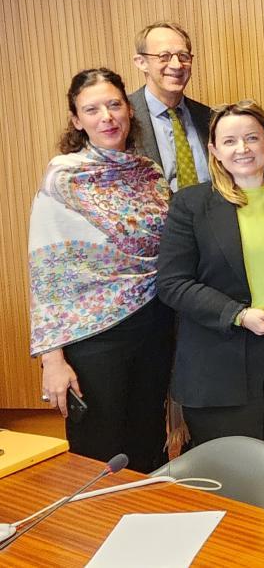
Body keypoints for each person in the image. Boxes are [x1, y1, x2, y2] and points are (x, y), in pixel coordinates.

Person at [157, 101, 264, 476]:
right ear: (215, 151)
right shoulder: (191, 204)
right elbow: (173, 284)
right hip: (219, 367)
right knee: (232, 480)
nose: (243, 149)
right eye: (231, 141)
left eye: (252, 138)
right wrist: (238, 315)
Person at [29, 68, 173, 473]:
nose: (106, 117)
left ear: (129, 109)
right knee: (97, 452)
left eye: (114, 105)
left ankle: (146, 529)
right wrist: (52, 359)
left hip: (154, 323)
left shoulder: (150, 174)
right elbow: (46, 272)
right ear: (77, 120)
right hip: (92, 338)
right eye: (92, 109)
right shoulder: (64, 179)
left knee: (147, 442)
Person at [127, 22, 213, 191]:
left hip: (209, 215)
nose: (176, 65)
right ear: (141, 62)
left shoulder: (209, 117)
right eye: (164, 56)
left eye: (183, 56)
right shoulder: (123, 118)